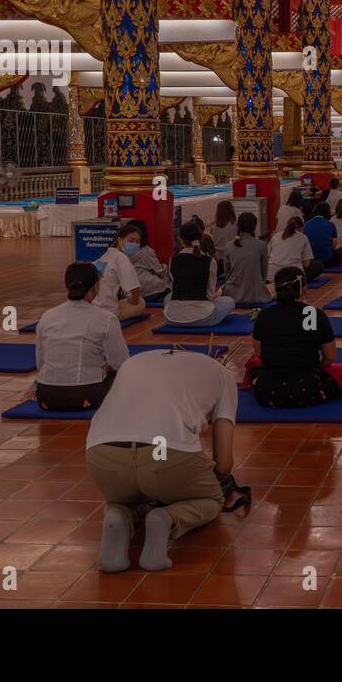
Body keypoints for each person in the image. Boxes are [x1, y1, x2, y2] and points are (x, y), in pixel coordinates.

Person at [85, 348, 237, 572]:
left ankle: (119, 514)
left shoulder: (133, 362)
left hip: (100, 451)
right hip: (166, 451)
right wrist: (202, 482)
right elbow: (223, 463)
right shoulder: (223, 375)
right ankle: (166, 518)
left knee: (125, 496)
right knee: (212, 500)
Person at [246, 266, 342, 408]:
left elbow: (259, 354)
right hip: (309, 392)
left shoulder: (265, 315)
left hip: (268, 393)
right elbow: (329, 358)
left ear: (276, 289)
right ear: (304, 288)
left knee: (252, 364)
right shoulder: (314, 314)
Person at [33, 262, 130, 411]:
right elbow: (121, 363)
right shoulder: (107, 318)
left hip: (47, 396)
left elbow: (41, 364)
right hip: (87, 396)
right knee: (120, 376)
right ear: (96, 286)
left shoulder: (47, 316)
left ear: (67, 286)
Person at [164, 222, 236, 327]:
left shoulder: (172, 260)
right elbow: (209, 295)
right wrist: (219, 293)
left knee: (168, 297)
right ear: (201, 237)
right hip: (203, 317)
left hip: (172, 318)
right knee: (229, 301)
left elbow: (176, 287)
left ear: (180, 239)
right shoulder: (210, 261)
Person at [93, 224, 146, 318]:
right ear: (120, 240)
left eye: (137, 242)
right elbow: (134, 288)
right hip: (109, 312)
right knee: (141, 302)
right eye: (131, 240)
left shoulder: (104, 256)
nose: (134, 244)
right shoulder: (121, 257)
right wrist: (133, 304)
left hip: (93, 308)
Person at [221, 211, 271, 305]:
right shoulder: (262, 245)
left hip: (232, 296)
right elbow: (264, 275)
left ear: (238, 226)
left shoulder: (228, 246)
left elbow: (227, 274)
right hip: (256, 294)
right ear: (254, 227)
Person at [268, 215, 323, 283]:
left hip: (271, 275)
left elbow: (268, 255)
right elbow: (306, 264)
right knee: (318, 265)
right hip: (293, 276)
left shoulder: (275, 236)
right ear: (301, 228)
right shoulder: (303, 237)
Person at [126, 218, 168, 299]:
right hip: (148, 290)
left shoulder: (122, 250)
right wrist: (165, 267)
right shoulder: (146, 251)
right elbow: (160, 272)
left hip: (129, 291)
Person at [304, 201, 342, 267]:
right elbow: (334, 245)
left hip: (312, 258)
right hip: (328, 259)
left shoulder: (306, 224)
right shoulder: (330, 224)